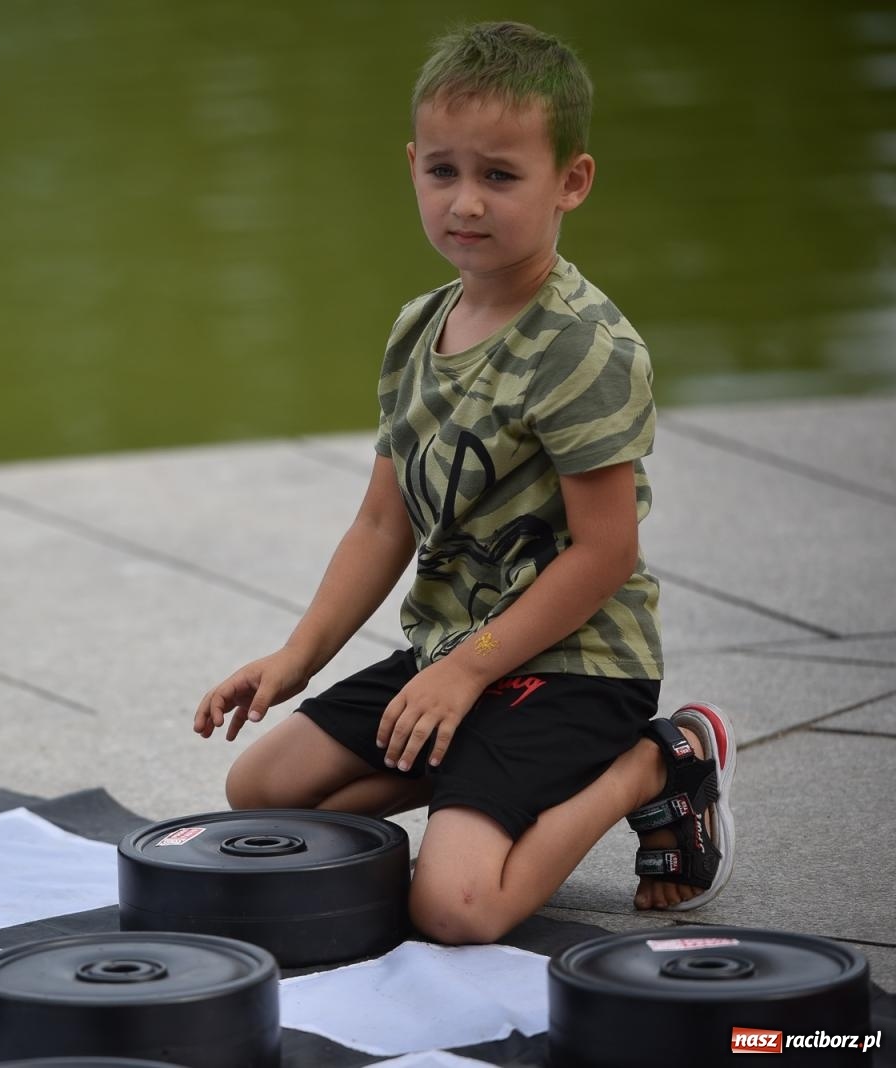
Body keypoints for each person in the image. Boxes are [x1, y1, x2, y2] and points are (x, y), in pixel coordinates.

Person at [192, 21, 736, 944]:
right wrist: (297, 660)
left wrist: (464, 676)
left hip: (570, 663)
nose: (467, 203)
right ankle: (489, 772)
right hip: (460, 654)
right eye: (443, 172)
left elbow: (607, 554)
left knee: (454, 908)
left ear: (572, 181)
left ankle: (655, 765)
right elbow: (379, 523)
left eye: (500, 175)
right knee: (263, 789)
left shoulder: (584, 349)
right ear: (412, 166)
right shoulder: (417, 330)